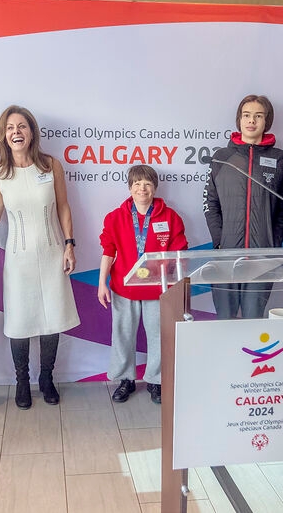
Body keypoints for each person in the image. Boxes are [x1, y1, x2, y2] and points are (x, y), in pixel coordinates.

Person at [0, 105, 80, 409]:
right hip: (18, 258)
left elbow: (63, 206)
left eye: (22, 126)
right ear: (4, 135)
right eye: (11, 127)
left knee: (52, 317)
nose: (17, 132)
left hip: (53, 251)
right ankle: (22, 380)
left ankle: (47, 378)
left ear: (32, 132)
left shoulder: (51, 165)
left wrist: (69, 244)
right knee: (20, 321)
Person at [98, 165, 187, 403]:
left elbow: (178, 254)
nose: (142, 188)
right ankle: (125, 379)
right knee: (123, 334)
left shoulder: (170, 217)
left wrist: (174, 285)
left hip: (157, 290)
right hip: (123, 288)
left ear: (155, 188)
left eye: (147, 183)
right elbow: (108, 251)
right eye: (136, 183)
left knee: (158, 335)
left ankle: (156, 381)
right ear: (129, 187)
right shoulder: (115, 217)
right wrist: (101, 284)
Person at [203, 94, 283, 319]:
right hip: (226, 255)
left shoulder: (280, 159)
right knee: (225, 317)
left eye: (258, 116)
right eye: (247, 115)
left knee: (253, 316)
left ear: (266, 121)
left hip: (263, 257)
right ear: (239, 120)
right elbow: (210, 202)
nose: (252, 121)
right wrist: (220, 240)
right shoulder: (221, 157)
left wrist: (273, 242)